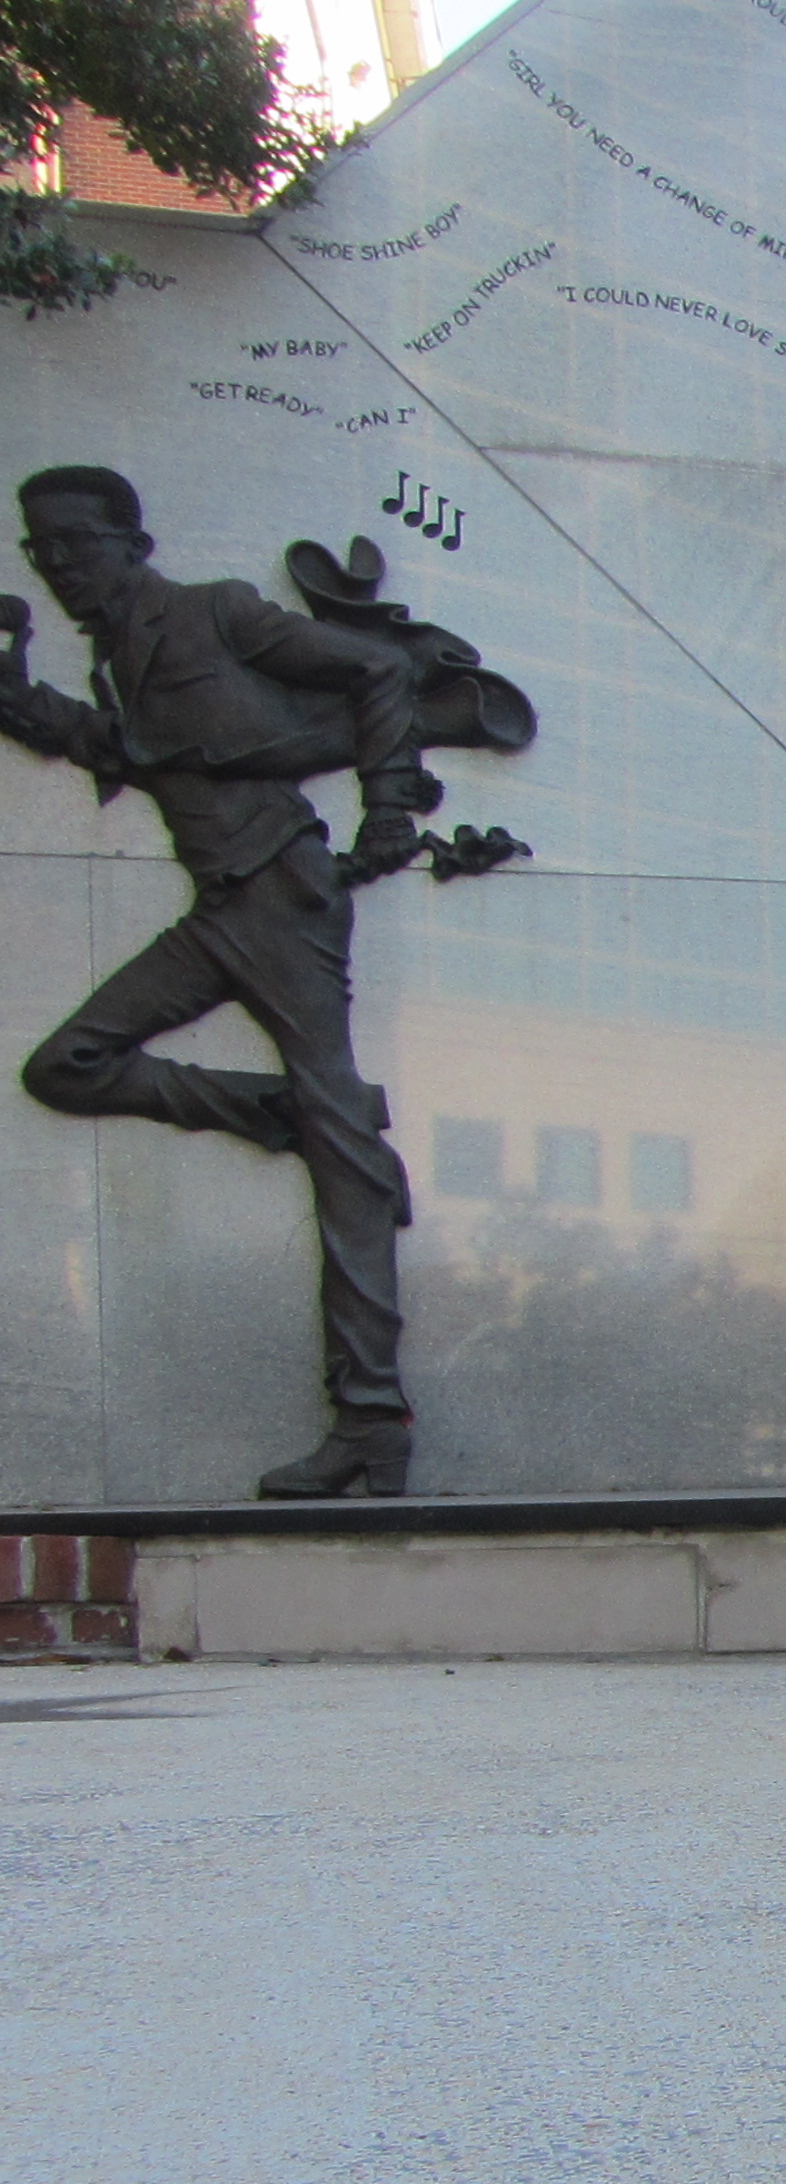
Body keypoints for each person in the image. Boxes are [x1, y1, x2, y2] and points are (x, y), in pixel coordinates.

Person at [0, 465, 430, 1497]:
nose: (58, 566)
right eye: (41, 550)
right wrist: (13, 695)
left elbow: (378, 669)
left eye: (76, 543)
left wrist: (387, 808)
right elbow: (116, 748)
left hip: (280, 897)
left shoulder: (217, 614)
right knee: (66, 1066)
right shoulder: (117, 664)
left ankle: (371, 1421)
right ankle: (304, 1113)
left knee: (342, 1170)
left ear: (132, 543)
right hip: (218, 914)